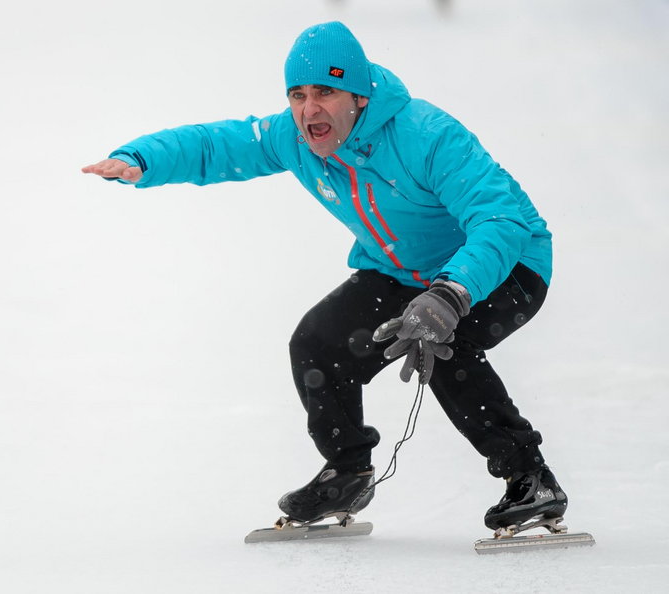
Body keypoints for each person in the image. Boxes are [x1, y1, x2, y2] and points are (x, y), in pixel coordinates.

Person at [82, 21, 568, 532]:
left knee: (443, 346)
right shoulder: (294, 138)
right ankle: (347, 471)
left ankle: (530, 478)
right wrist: (140, 158)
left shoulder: (427, 135)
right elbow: (217, 145)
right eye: (298, 94)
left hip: (506, 266)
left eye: (325, 92)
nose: (309, 109)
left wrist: (450, 293)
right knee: (318, 343)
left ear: (358, 95)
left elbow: (500, 220)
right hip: (402, 272)